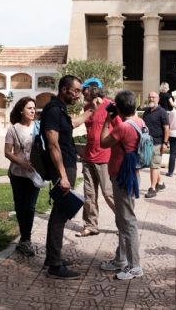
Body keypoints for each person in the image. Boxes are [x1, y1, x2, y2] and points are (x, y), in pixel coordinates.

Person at [41, 75, 94, 279]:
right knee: (60, 215)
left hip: (67, 164)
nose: (79, 94)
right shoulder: (54, 110)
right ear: (64, 89)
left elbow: (71, 124)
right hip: (63, 167)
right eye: (76, 90)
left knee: (59, 213)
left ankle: (52, 257)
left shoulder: (59, 108)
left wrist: (90, 112)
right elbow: (53, 144)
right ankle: (55, 265)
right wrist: (62, 175)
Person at [99, 90, 144, 280]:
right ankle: (120, 259)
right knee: (123, 220)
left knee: (128, 222)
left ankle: (135, 267)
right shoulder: (139, 122)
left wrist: (108, 121)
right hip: (131, 174)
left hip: (122, 177)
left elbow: (103, 142)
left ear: (118, 107)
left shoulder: (123, 128)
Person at [76, 77, 117, 238]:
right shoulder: (88, 107)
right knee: (89, 195)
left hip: (105, 157)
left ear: (93, 89)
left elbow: (118, 130)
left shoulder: (111, 106)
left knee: (109, 193)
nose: (82, 93)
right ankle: (90, 225)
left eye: (84, 89)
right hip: (88, 157)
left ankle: (124, 223)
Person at [4, 96, 40, 257]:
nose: (33, 111)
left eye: (34, 108)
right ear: (21, 110)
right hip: (17, 174)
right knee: (20, 206)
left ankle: (26, 239)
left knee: (30, 207)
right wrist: (21, 163)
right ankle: (24, 238)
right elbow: (7, 152)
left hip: (34, 174)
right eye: (29, 108)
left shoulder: (38, 126)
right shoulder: (13, 129)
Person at [142, 92, 169, 198]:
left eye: (153, 97)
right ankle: (160, 184)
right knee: (154, 165)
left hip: (158, 142)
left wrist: (165, 143)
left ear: (158, 99)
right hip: (147, 143)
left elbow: (167, 128)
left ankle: (152, 188)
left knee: (154, 165)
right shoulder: (146, 112)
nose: (151, 99)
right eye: (149, 97)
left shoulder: (162, 112)